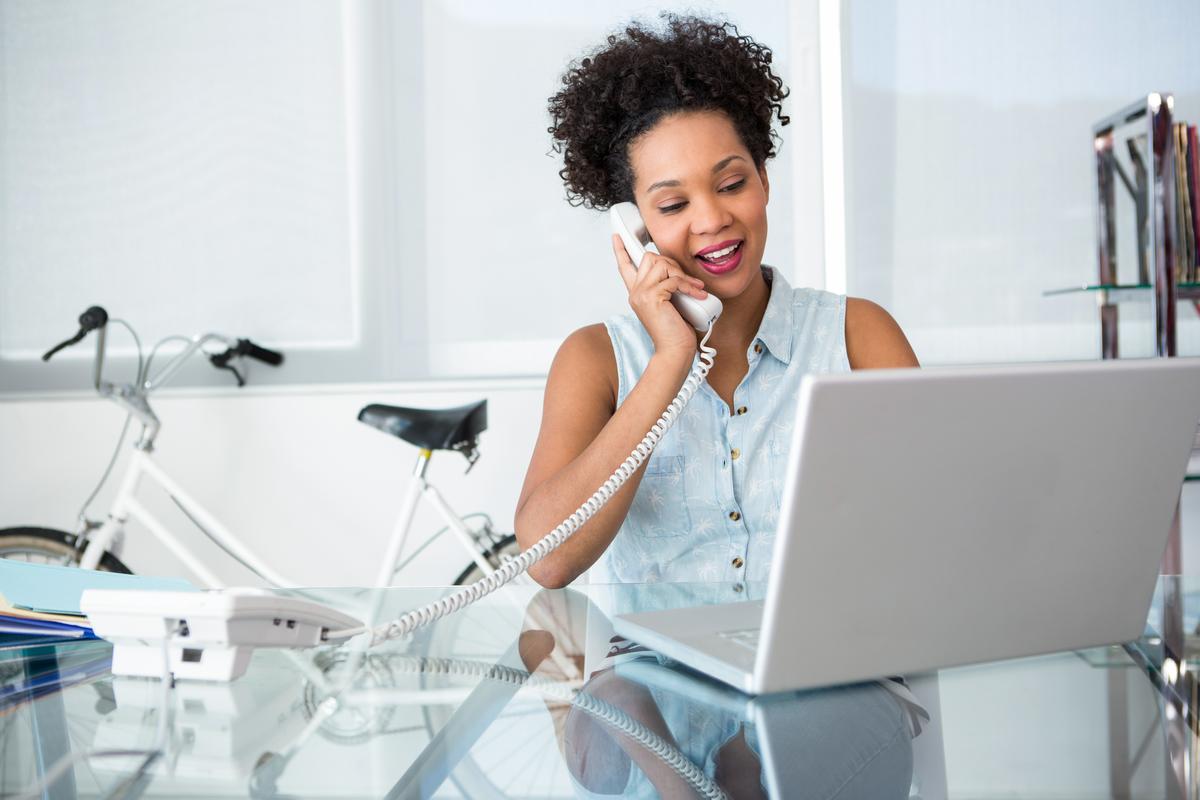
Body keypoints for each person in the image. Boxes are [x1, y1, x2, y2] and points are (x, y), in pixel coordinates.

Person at [514, 15, 919, 590]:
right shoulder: (594, 360)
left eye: (731, 185)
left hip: (830, 664)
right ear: (637, 227)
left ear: (764, 181)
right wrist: (670, 361)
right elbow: (549, 561)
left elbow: (934, 531)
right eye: (673, 205)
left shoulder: (857, 334)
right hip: (651, 679)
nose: (712, 220)